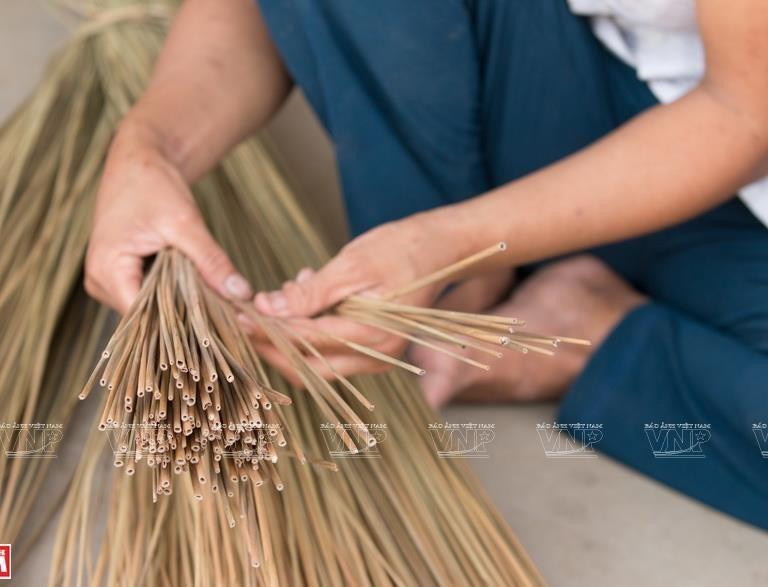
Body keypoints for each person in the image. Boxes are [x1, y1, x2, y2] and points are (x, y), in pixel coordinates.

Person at [85, 0, 768, 529]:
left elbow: (744, 110)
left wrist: (452, 239)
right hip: (585, 82)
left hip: (735, 166)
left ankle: (586, 332)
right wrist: (151, 148)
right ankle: (460, 287)